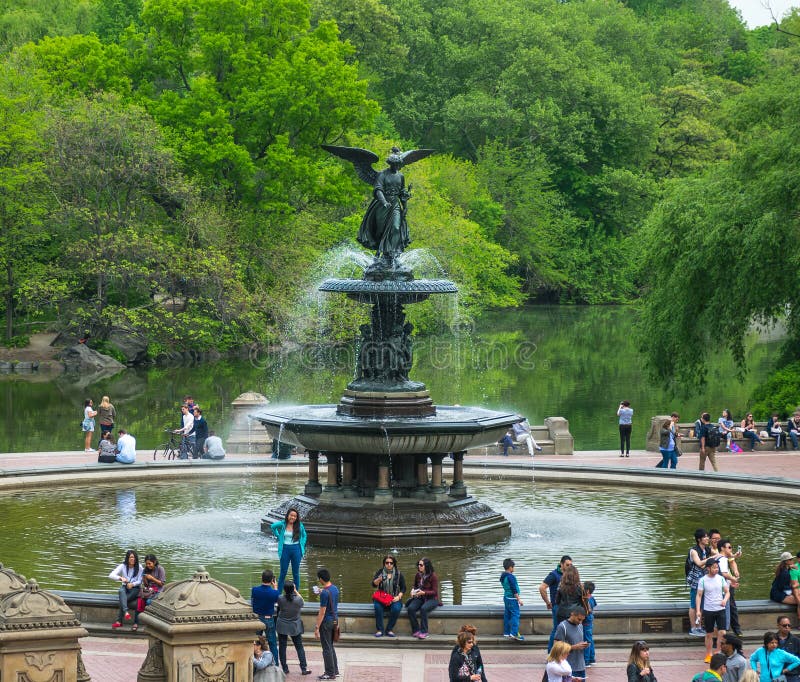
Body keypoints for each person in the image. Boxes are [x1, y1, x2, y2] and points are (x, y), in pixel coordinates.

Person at [696, 558, 730, 663]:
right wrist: (698, 611)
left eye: (717, 567)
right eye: (714, 567)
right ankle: (709, 654)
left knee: (722, 632)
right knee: (709, 634)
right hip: (708, 610)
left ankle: (719, 651)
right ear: (708, 568)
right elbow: (699, 595)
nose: (716, 569)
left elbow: (727, 592)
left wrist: (724, 600)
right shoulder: (702, 580)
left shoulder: (721, 579)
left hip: (720, 609)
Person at [276, 580, 311, 676]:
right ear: (293, 589)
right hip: (294, 626)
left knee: (282, 647)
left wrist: (275, 586)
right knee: (299, 647)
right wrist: (296, 591)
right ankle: (304, 668)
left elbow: (277, 598)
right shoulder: (298, 600)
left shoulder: (280, 599)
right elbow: (302, 601)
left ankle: (285, 668)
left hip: (282, 625)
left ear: (284, 589)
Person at [540, 555, 573, 651]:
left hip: (569, 606)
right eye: (567, 565)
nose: (569, 567)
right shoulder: (554, 575)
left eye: (571, 565)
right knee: (557, 630)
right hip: (558, 607)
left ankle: (563, 652)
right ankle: (551, 653)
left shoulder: (570, 574)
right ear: (561, 564)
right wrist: (547, 602)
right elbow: (542, 588)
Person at [269, 508, 307, 590]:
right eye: (291, 515)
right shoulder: (283, 524)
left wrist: (302, 545)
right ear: (288, 516)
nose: (293, 517)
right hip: (285, 549)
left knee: (296, 573)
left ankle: (296, 593)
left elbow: (304, 535)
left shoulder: (299, 525)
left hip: (296, 549)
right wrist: (278, 536)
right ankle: (278, 593)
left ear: (297, 517)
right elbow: (272, 526)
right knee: (283, 572)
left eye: (295, 516)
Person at [314, 567, 339, 681]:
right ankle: (335, 670)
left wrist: (316, 627)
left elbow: (322, 612)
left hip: (326, 623)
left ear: (321, 579)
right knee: (331, 646)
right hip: (335, 620)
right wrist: (322, 591)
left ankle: (329, 673)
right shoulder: (335, 589)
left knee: (326, 648)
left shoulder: (324, 593)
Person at [371, 555, 405, 637]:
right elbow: (373, 585)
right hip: (381, 598)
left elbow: (403, 588)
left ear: (394, 564)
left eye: (391, 563)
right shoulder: (380, 572)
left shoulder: (398, 574)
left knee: (396, 609)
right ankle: (380, 630)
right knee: (377, 607)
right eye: (387, 563)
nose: (389, 564)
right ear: (384, 564)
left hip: (394, 598)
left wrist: (399, 597)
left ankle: (389, 629)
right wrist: (379, 579)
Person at [252, 569, 280, 666]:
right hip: (268, 619)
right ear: (272, 580)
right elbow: (277, 599)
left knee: (255, 642)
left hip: (257, 619)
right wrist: (275, 586)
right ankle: (276, 665)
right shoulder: (274, 593)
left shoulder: (254, 590)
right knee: (272, 643)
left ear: (261, 578)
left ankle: (253, 663)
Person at [687, 529, 712, 636]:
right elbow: (699, 563)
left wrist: (733, 555)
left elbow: (720, 553)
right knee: (694, 604)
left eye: (707, 537)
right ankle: (693, 628)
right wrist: (711, 558)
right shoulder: (694, 551)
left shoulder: (706, 549)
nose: (707, 538)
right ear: (699, 539)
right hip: (696, 581)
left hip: (704, 579)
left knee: (701, 604)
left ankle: (699, 626)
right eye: (705, 537)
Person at [553, 605, 589, 682]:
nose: (580, 622)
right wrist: (573, 647)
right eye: (579, 619)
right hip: (568, 667)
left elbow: (577, 641)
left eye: (582, 620)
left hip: (581, 666)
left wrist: (583, 645)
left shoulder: (580, 626)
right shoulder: (562, 626)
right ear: (572, 614)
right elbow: (556, 646)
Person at [109, 549, 143, 629]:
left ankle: (119, 621)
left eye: (134, 557)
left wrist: (132, 584)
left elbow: (140, 580)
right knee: (121, 590)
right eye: (131, 557)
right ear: (127, 558)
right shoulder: (123, 566)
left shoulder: (140, 567)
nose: (132, 559)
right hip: (125, 586)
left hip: (135, 588)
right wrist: (120, 578)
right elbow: (111, 575)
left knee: (123, 599)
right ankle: (126, 612)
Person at [408, 557, 440, 639]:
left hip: (432, 599)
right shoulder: (418, 575)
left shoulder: (433, 576)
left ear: (426, 566)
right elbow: (415, 586)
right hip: (421, 597)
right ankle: (416, 630)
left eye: (421, 565)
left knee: (423, 609)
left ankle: (424, 631)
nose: (419, 566)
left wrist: (424, 592)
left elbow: (435, 591)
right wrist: (412, 591)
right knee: (411, 608)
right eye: (418, 564)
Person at [135, 554, 166, 630]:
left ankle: (150, 623)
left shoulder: (160, 569)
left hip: (158, 590)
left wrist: (152, 578)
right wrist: (144, 579)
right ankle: (136, 622)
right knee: (139, 601)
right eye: (146, 564)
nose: (148, 565)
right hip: (149, 590)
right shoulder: (145, 570)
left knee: (149, 602)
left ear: (154, 562)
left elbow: (162, 583)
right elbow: (146, 584)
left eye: (150, 563)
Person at [718, 539, 742, 636]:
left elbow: (724, 574)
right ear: (722, 548)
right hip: (723, 592)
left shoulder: (720, 558)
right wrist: (733, 579)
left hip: (724, 589)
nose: (731, 549)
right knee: (724, 616)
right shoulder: (722, 559)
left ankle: (721, 637)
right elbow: (724, 574)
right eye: (729, 547)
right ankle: (723, 637)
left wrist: (731, 582)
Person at [770, 551, 800, 619]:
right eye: (790, 559)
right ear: (786, 561)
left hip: (776, 592)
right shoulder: (785, 574)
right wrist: (797, 584)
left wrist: (790, 566)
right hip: (779, 595)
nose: (792, 560)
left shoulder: (783, 568)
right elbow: (788, 588)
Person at [500, 558, 524, 640]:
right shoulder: (511, 577)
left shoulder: (503, 576)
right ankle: (514, 633)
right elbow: (514, 589)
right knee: (515, 615)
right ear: (510, 567)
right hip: (512, 598)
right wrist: (519, 599)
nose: (514, 569)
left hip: (506, 597)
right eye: (513, 567)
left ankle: (506, 633)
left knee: (507, 614)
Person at [777, 617, 800, 682]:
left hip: (793, 675)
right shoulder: (773, 639)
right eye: (784, 625)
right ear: (778, 626)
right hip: (777, 674)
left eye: (789, 625)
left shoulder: (796, 640)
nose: (787, 627)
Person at [583, 581, 597, 668]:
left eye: (583, 588)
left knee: (586, 641)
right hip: (590, 621)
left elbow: (588, 610)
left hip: (586, 622)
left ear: (587, 591)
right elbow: (594, 605)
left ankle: (586, 661)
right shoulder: (592, 598)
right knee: (590, 640)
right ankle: (592, 659)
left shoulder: (586, 599)